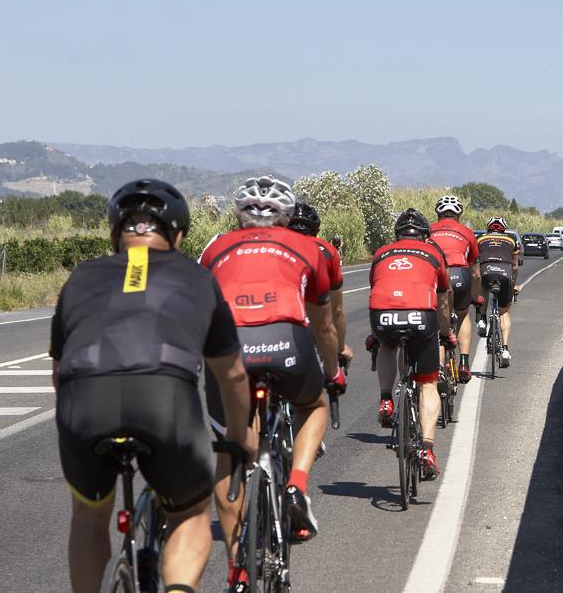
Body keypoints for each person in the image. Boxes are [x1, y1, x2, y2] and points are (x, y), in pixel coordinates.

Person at [50, 178, 254, 593]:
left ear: (114, 233)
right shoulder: (198, 278)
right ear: (178, 234)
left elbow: (58, 371)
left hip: (83, 399)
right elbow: (230, 373)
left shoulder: (80, 278)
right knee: (191, 513)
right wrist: (239, 434)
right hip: (165, 399)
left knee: (89, 515)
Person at [198, 176, 341, 580]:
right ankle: (296, 483)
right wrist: (333, 373)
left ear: (237, 214)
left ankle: (236, 571)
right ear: (288, 216)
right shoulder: (309, 246)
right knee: (313, 406)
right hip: (287, 340)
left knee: (230, 447)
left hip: (229, 348)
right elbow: (325, 326)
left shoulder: (215, 246)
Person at [368, 208, 455, 479]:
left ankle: (385, 399)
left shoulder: (381, 253)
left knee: (386, 346)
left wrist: (376, 332)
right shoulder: (434, 254)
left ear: (397, 235)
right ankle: (427, 448)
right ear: (425, 236)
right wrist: (447, 334)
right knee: (428, 383)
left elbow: (376, 287)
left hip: (382, 313)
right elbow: (442, 302)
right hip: (420, 315)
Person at [287, 201, 355, 371]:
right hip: (311, 322)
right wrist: (340, 348)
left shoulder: (272, 246)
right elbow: (337, 309)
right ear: (315, 229)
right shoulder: (327, 250)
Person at [428, 195, 481, 382]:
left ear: (438, 214)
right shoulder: (467, 232)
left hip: (436, 274)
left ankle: (440, 369)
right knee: (463, 314)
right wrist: (476, 296)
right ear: (459, 215)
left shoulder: (428, 231)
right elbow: (476, 273)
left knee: (437, 321)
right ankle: (464, 364)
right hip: (461, 273)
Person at [475, 216, 520, 368]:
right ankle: (505, 350)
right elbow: (515, 266)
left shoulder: (480, 239)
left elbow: (474, 262)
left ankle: (482, 318)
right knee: (504, 311)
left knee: (483, 288)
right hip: (505, 273)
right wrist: (514, 284)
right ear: (504, 228)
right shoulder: (512, 239)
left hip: (486, 270)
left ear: (488, 227)